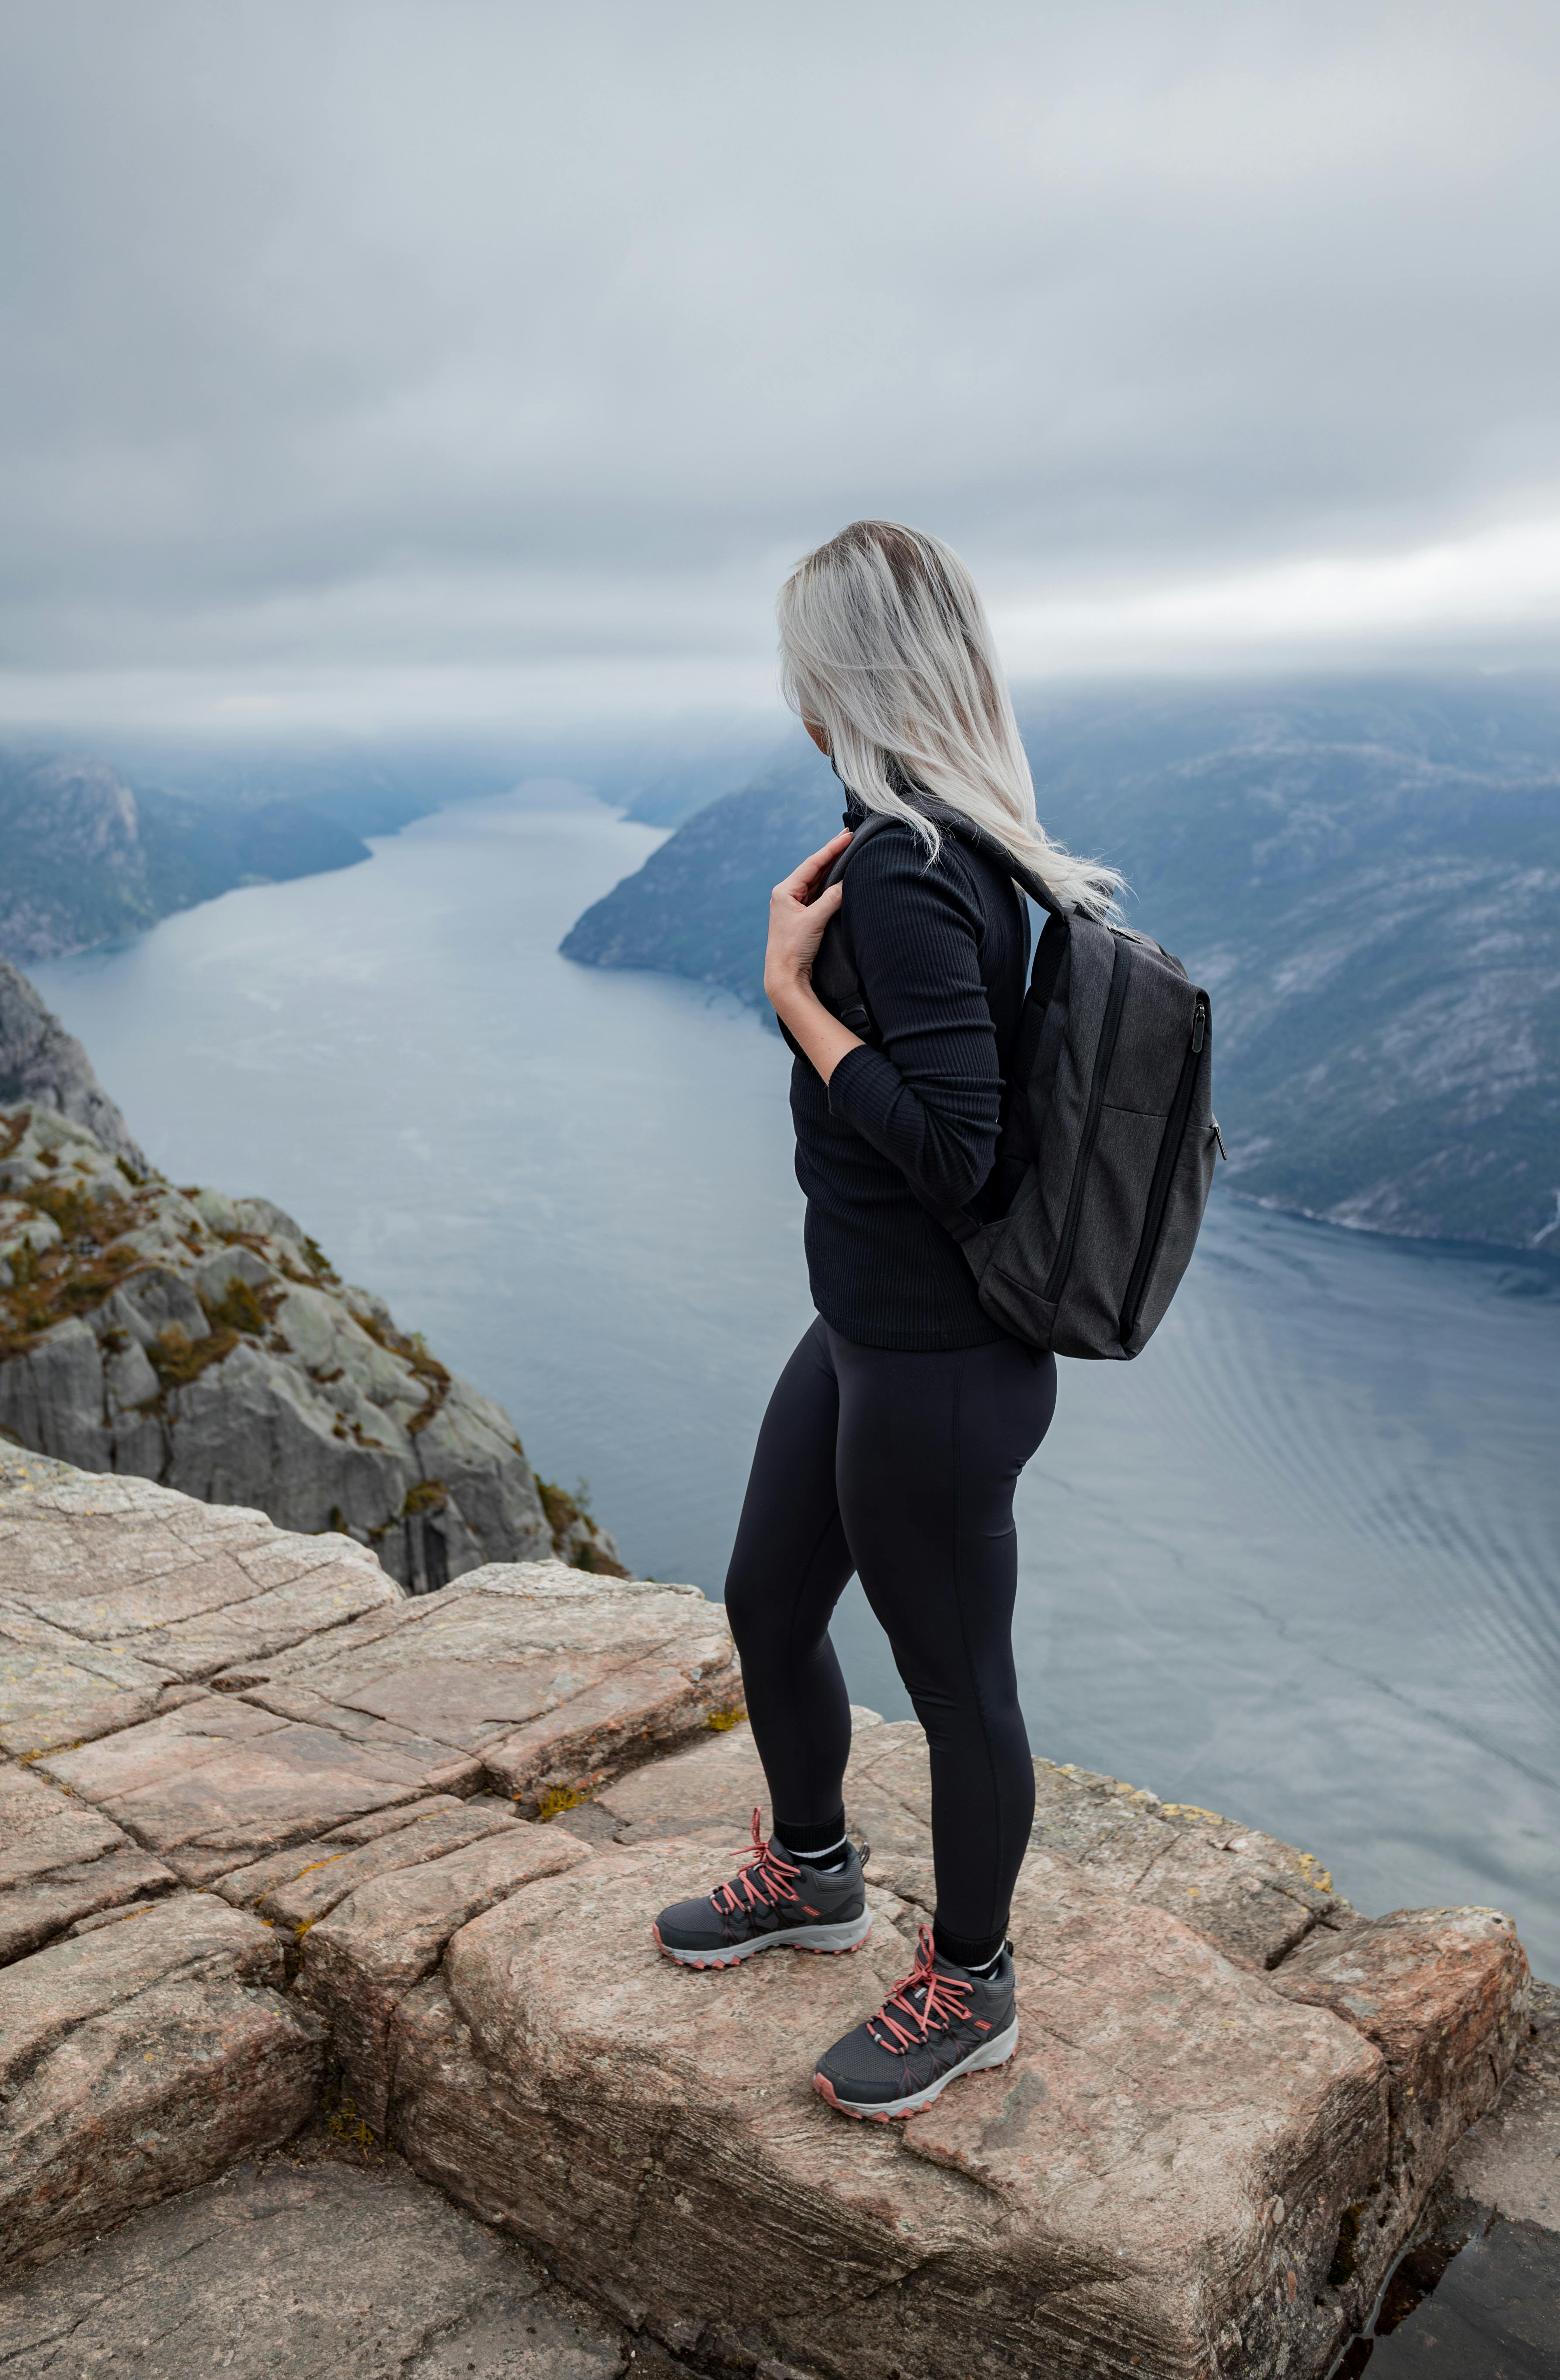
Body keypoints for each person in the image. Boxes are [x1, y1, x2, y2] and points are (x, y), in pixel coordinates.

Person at [653, 520, 1119, 2121]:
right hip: (863, 1332)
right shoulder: (912, 840)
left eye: (799, 662)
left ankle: (971, 1983)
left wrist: (794, 995)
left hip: (938, 1367)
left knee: (955, 1688)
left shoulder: (913, 876)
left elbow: (963, 1153)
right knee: (769, 1603)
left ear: (835, 682)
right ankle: (815, 1872)